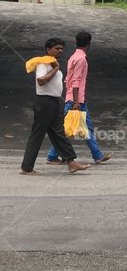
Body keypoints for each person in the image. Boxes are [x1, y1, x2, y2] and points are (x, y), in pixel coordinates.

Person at [19, 37, 90, 175]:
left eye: (62, 48)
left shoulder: (52, 64)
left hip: (55, 102)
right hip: (44, 102)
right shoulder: (43, 64)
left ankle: (71, 162)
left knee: (59, 133)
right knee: (37, 135)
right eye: (57, 48)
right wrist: (55, 69)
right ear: (48, 49)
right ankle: (26, 168)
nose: (60, 51)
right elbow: (41, 81)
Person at [47, 30, 112, 166]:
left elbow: (68, 79)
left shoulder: (73, 57)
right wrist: (76, 101)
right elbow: (76, 81)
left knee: (85, 128)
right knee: (66, 129)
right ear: (89, 44)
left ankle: (97, 156)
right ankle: (52, 156)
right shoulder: (81, 59)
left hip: (75, 98)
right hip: (75, 100)